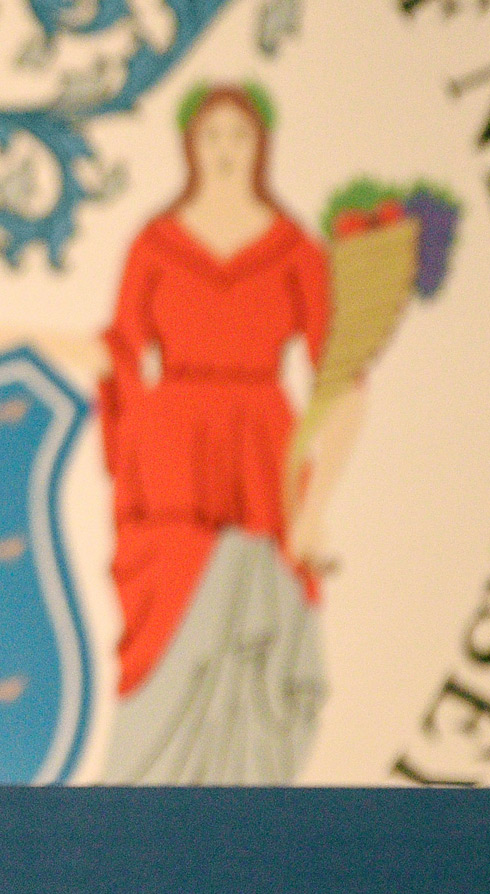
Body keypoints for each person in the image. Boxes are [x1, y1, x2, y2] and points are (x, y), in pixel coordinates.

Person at [99, 83, 329, 783]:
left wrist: (311, 502)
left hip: (261, 448)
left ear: (261, 145)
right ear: (190, 146)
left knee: (258, 616)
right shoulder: (158, 243)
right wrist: (137, 438)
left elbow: (334, 371)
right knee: (176, 610)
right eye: (212, 136)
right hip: (174, 456)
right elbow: (122, 349)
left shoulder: (292, 248)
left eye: (239, 136)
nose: (226, 151)